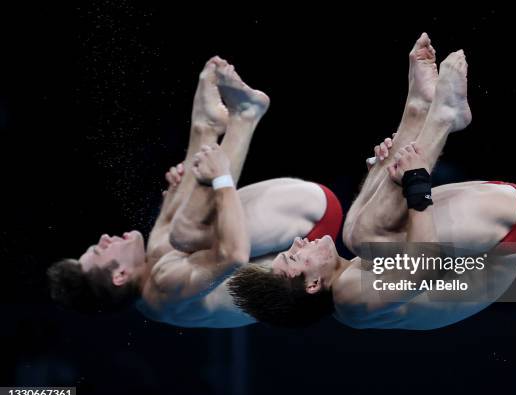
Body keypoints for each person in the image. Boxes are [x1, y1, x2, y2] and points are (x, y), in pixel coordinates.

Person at [228, 33, 516, 329]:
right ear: (312, 284)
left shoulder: (348, 282)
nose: (297, 242)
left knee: (355, 232)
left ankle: (420, 105)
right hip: (502, 237)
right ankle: (442, 117)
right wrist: (416, 180)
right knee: (366, 235)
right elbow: (422, 268)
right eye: (294, 256)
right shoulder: (352, 301)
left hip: (488, 228)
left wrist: (380, 170)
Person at [47, 57, 343, 328]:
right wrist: (220, 179)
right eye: (99, 251)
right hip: (310, 232)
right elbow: (235, 255)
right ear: (120, 275)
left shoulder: (153, 274)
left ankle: (208, 125)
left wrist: (181, 191)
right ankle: (243, 116)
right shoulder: (167, 287)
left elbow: (184, 199)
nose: (103, 239)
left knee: (180, 220)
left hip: (299, 227)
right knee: (185, 231)